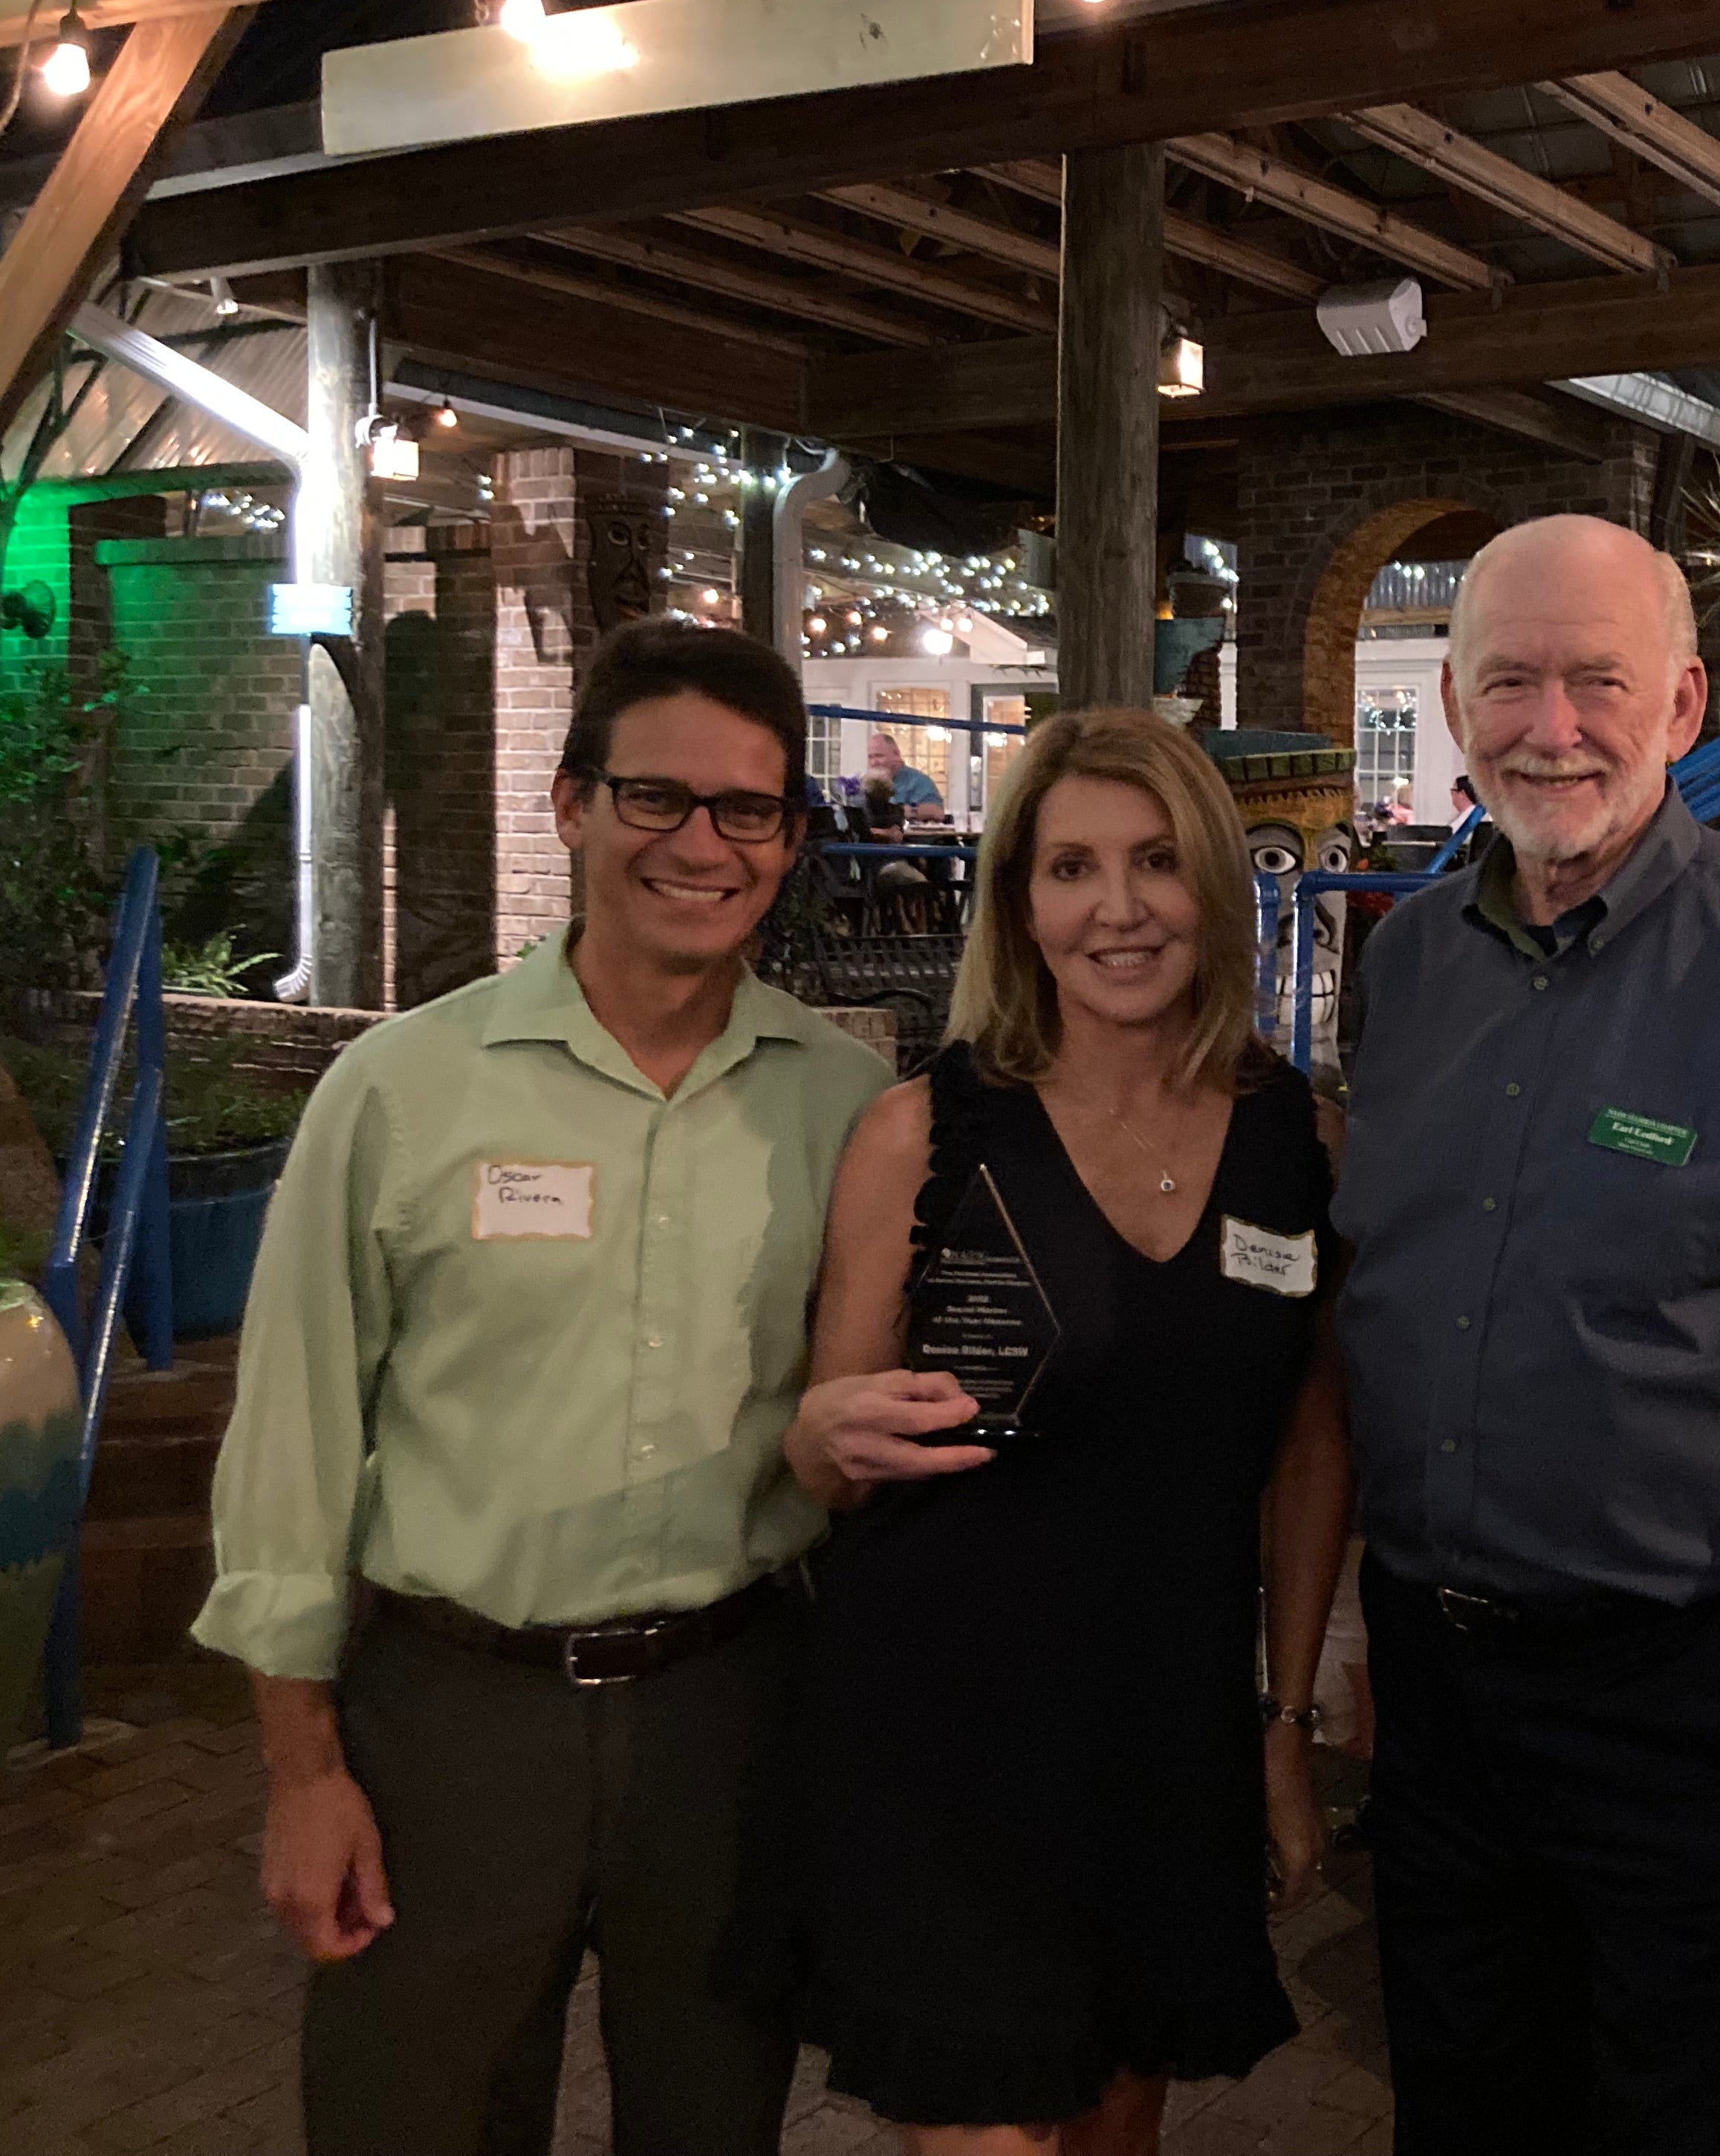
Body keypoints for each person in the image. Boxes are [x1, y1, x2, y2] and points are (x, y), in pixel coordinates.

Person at [196, 621, 894, 2156]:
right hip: (453, 1716)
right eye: (655, 796)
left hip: (730, 1713)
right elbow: (293, 1442)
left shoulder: (846, 1105)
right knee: (411, 2119)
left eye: (748, 809)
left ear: (790, 838)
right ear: (572, 803)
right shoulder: (401, 1090)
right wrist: (302, 1769)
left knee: (713, 2121)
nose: (700, 845)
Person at [1332, 514, 1720, 2156]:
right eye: (1508, 682)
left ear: (1682, 706)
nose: (1551, 727)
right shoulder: (1404, 969)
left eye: (1598, 682)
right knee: (1466, 2117)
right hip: (1444, 1697)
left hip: (1696, 1694)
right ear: (1454, 706)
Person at [785, 706, 1352, 2156]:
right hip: (951, 1729)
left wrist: (1286, 1725)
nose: (1119, 909)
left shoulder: (1297, 1141)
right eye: (1072, 868)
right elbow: (823, 1459)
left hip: (1169, 1725)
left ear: (1211, 885)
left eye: (1156, 861)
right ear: (1019, 904)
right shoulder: (922, 1135)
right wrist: (823, 1435)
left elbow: (1308, 1452)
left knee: (1118, 2121)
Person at [865, 728, 947, 815]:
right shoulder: (866, 784)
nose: (874, 762)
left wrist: (908, 811)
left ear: (896, 754)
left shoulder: (919, 782)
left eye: (879, 756)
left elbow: (938, 812)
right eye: (870, 757)